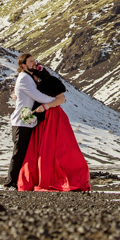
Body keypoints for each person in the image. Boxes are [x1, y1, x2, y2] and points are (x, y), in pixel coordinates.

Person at [16, 57, 91, 192]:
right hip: (43, 118)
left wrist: (46, 106)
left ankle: (53, 177)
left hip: (52, 116)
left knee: (54, 148)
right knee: (40, 150)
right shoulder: (32, 82)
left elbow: (61, 99)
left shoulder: (50, 81)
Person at [4, 52, 61, 190]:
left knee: (26, 153)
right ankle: (10, 183)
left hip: (28, 121)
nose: (34, 63)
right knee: (19, 153)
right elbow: (37, 96)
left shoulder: (28, 77)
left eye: (34, 61)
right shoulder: (24, 78)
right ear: (23, 66)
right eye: (30, 62)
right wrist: (56, 101)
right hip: (21, 122)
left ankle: (20, 182)